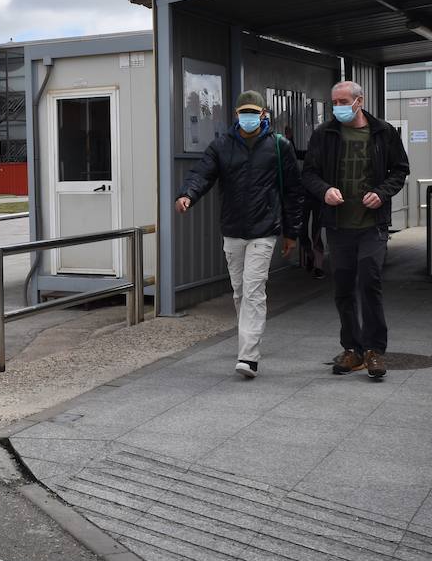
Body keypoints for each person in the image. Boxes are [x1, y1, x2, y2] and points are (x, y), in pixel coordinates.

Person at [176, 90, 303, 379]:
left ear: (263, 114)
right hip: (233, 230)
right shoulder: (222, 145)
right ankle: (248, 339)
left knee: (254, 290)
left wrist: (291, 232)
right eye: (243, 112)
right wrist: (187, 194)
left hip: (263, 230)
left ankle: (248, 356)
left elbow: (294, 192)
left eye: (253, 112)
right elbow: (202, 173)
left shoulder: (279, 146)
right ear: (236, 115)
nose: (248, 117)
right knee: (240, 292)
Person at [302, 80, 410, 380]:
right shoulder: (324, 134)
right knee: (344, 288)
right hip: (338, 225)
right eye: (333, 101)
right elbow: (309, 173)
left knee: (369, 281)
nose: (337, 107)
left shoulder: (383, 132)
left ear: (358, 101)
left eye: (342, 101)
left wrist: (382, 192)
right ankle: (352, 348)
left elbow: (400, 169)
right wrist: (324, 191)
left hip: (372, 225)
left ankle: (375, 350)